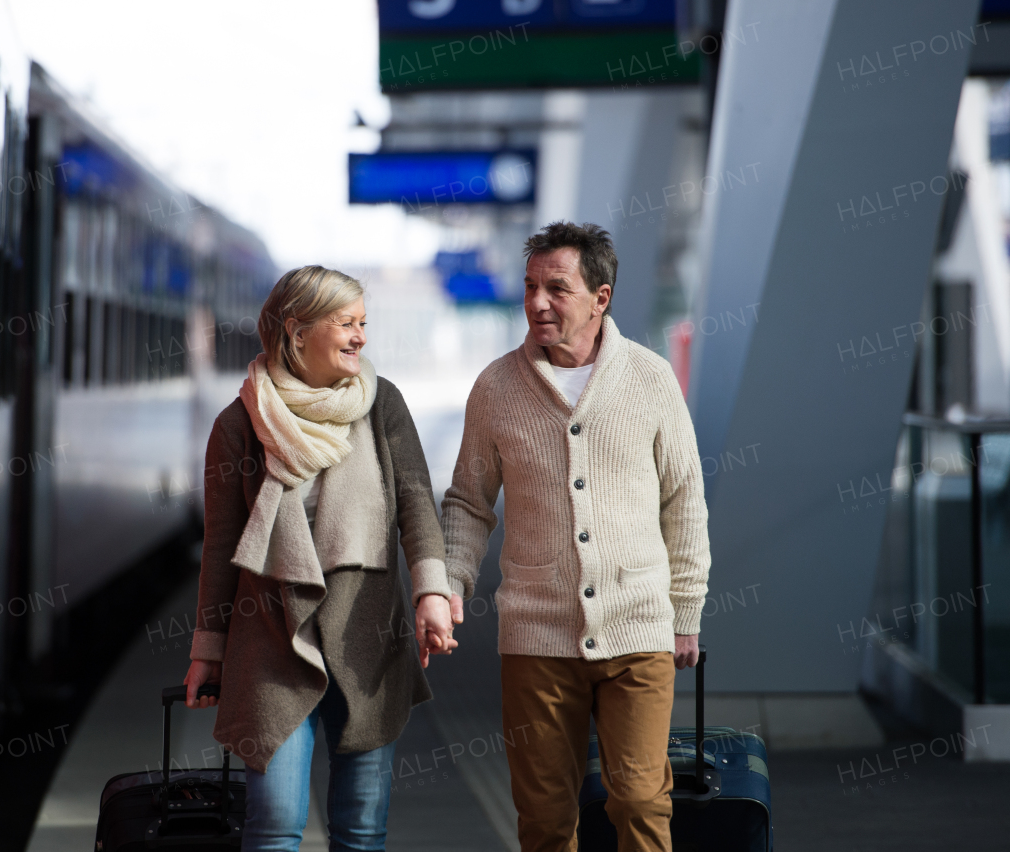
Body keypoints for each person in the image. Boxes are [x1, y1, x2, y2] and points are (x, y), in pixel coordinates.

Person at [441, 222, 711, 852]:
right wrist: (448, 583)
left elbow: (684, 501)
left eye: (556, 288)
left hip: (639, 628)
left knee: (642, 802)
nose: (537, 301)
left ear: (601, 296)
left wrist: (687, 607)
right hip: (536, 637)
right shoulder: (496, 388)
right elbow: (468, 502)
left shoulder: (650, 379)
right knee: (543, 819)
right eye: (531, 286)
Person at [183, 265, 460, 852]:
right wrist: (207, 650)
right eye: (345, 324)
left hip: (366, 641)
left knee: (361, 829)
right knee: (275, 825)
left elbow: (415, 504)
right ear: (296, 330)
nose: (360, 336)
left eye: (364, 323)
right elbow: (220, 549)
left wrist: (431, 591)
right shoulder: (239, 426)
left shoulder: (382, 406)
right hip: (270, 647)